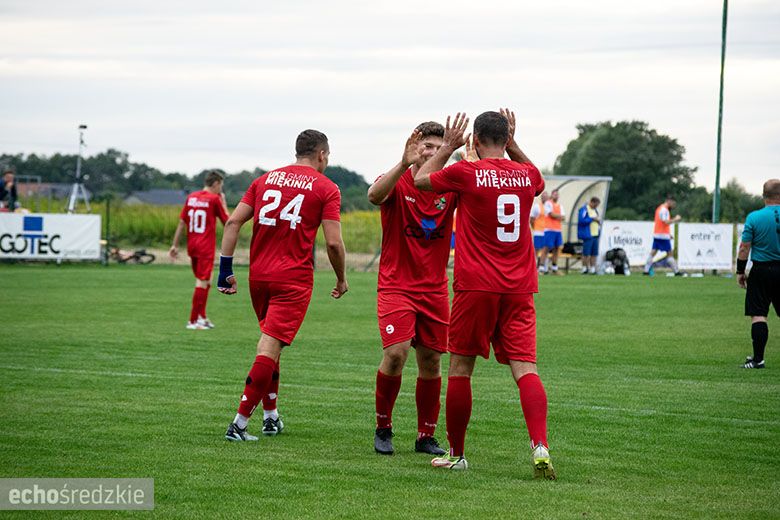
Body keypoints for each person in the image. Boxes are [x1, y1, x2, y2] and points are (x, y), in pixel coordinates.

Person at [414, 109, 555, 479]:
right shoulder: (527, 175)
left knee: (461, 368)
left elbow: (420, 179)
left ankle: (457, 454)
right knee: (526, 368)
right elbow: (538, 181)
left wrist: (448, 146)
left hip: (476, 284)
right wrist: (514, 144)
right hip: (520, 286)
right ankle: (540, 445)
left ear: (474, 140)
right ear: (506, 139)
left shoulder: (466, 172)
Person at [218, 129, 348, 441]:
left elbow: (233, 222)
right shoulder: (327, 187)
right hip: (292, 279)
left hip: (259, 277)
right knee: (268, 347)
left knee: (272, 344)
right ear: (321, 154)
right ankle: (239, 424)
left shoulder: (264, 180)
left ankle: (271, 416)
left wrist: (225, 269)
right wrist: (341, 277)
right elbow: (333, 243)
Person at [366, 121, 456, 456]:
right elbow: (373, 196)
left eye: (439, 148)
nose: (432, 153)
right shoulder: (398, 178)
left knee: (431, 361)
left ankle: (425, 436)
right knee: (396, 354)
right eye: (427, 146)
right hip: (397, 286)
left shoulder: (450, 186)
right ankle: (383, 427)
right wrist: (403, 163)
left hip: (435, 290)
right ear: (415, 147)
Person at [169, 170, 230, 330]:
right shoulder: (214, 199)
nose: (221, 190)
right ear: (216, 183)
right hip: (205, 247)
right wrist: (223, 202)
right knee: (202, 282)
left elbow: (182, 223)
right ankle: (193, 320)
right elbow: (228, 223)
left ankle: (202, 317)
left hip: (193, 245)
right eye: (221, 186)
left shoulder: (191, 197)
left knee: (207, 280)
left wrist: (175, 245)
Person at [736, 179, 780, 369]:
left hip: (761, 271)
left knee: (759, 315)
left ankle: (758, 359)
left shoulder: (754, 217)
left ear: (764, 196)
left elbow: (744, 247)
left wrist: (740, 271)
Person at [643, 196, 682, 275]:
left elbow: (661, 223)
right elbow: (666, 222)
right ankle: (676, 272)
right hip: (662, 236)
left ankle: (646, 271)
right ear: (669, 201)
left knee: (653, 252)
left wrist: (668, 234)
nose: (673, 206)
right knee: (669, 254)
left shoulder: (660, 208)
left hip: (658, 234)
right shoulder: (664, 210)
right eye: (673, 203)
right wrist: (676, 219)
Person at [541, 189, 565, 275]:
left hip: (558, 230)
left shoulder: (560, 206)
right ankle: (541, 268)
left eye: (557, 194)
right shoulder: (548, 203)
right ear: (552, 195)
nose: (556, 196)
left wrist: (557, 216)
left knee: (557, 248)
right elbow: (551, 214)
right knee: (546, 248)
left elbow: (563, 217)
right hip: (549, 229)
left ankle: (554, 268)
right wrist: (559, 216)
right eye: (555, 194)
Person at [577, 197, 601, 274]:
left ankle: (593, 268)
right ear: (592, 202)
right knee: (586, 253)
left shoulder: (595, 210)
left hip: (595, 235)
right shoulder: (584, 209)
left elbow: (597, 219)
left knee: (594, 253)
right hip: (588, 234)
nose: (596, 207)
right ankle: (584, 268)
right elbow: (581, 220)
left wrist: (598, 222)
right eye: (595, 205)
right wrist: (592, 219)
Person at [530, 191, 549, 267]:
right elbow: (532, 219)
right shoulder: (536, 206)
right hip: (538, 231)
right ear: (541, 197)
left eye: (546, 196)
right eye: (543, 196)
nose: (544, 197)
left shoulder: (549, 207)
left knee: (545, 249)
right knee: (536, 249)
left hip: (547, 232)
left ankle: (543, 266)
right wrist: (535, 228)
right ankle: (534, 265)